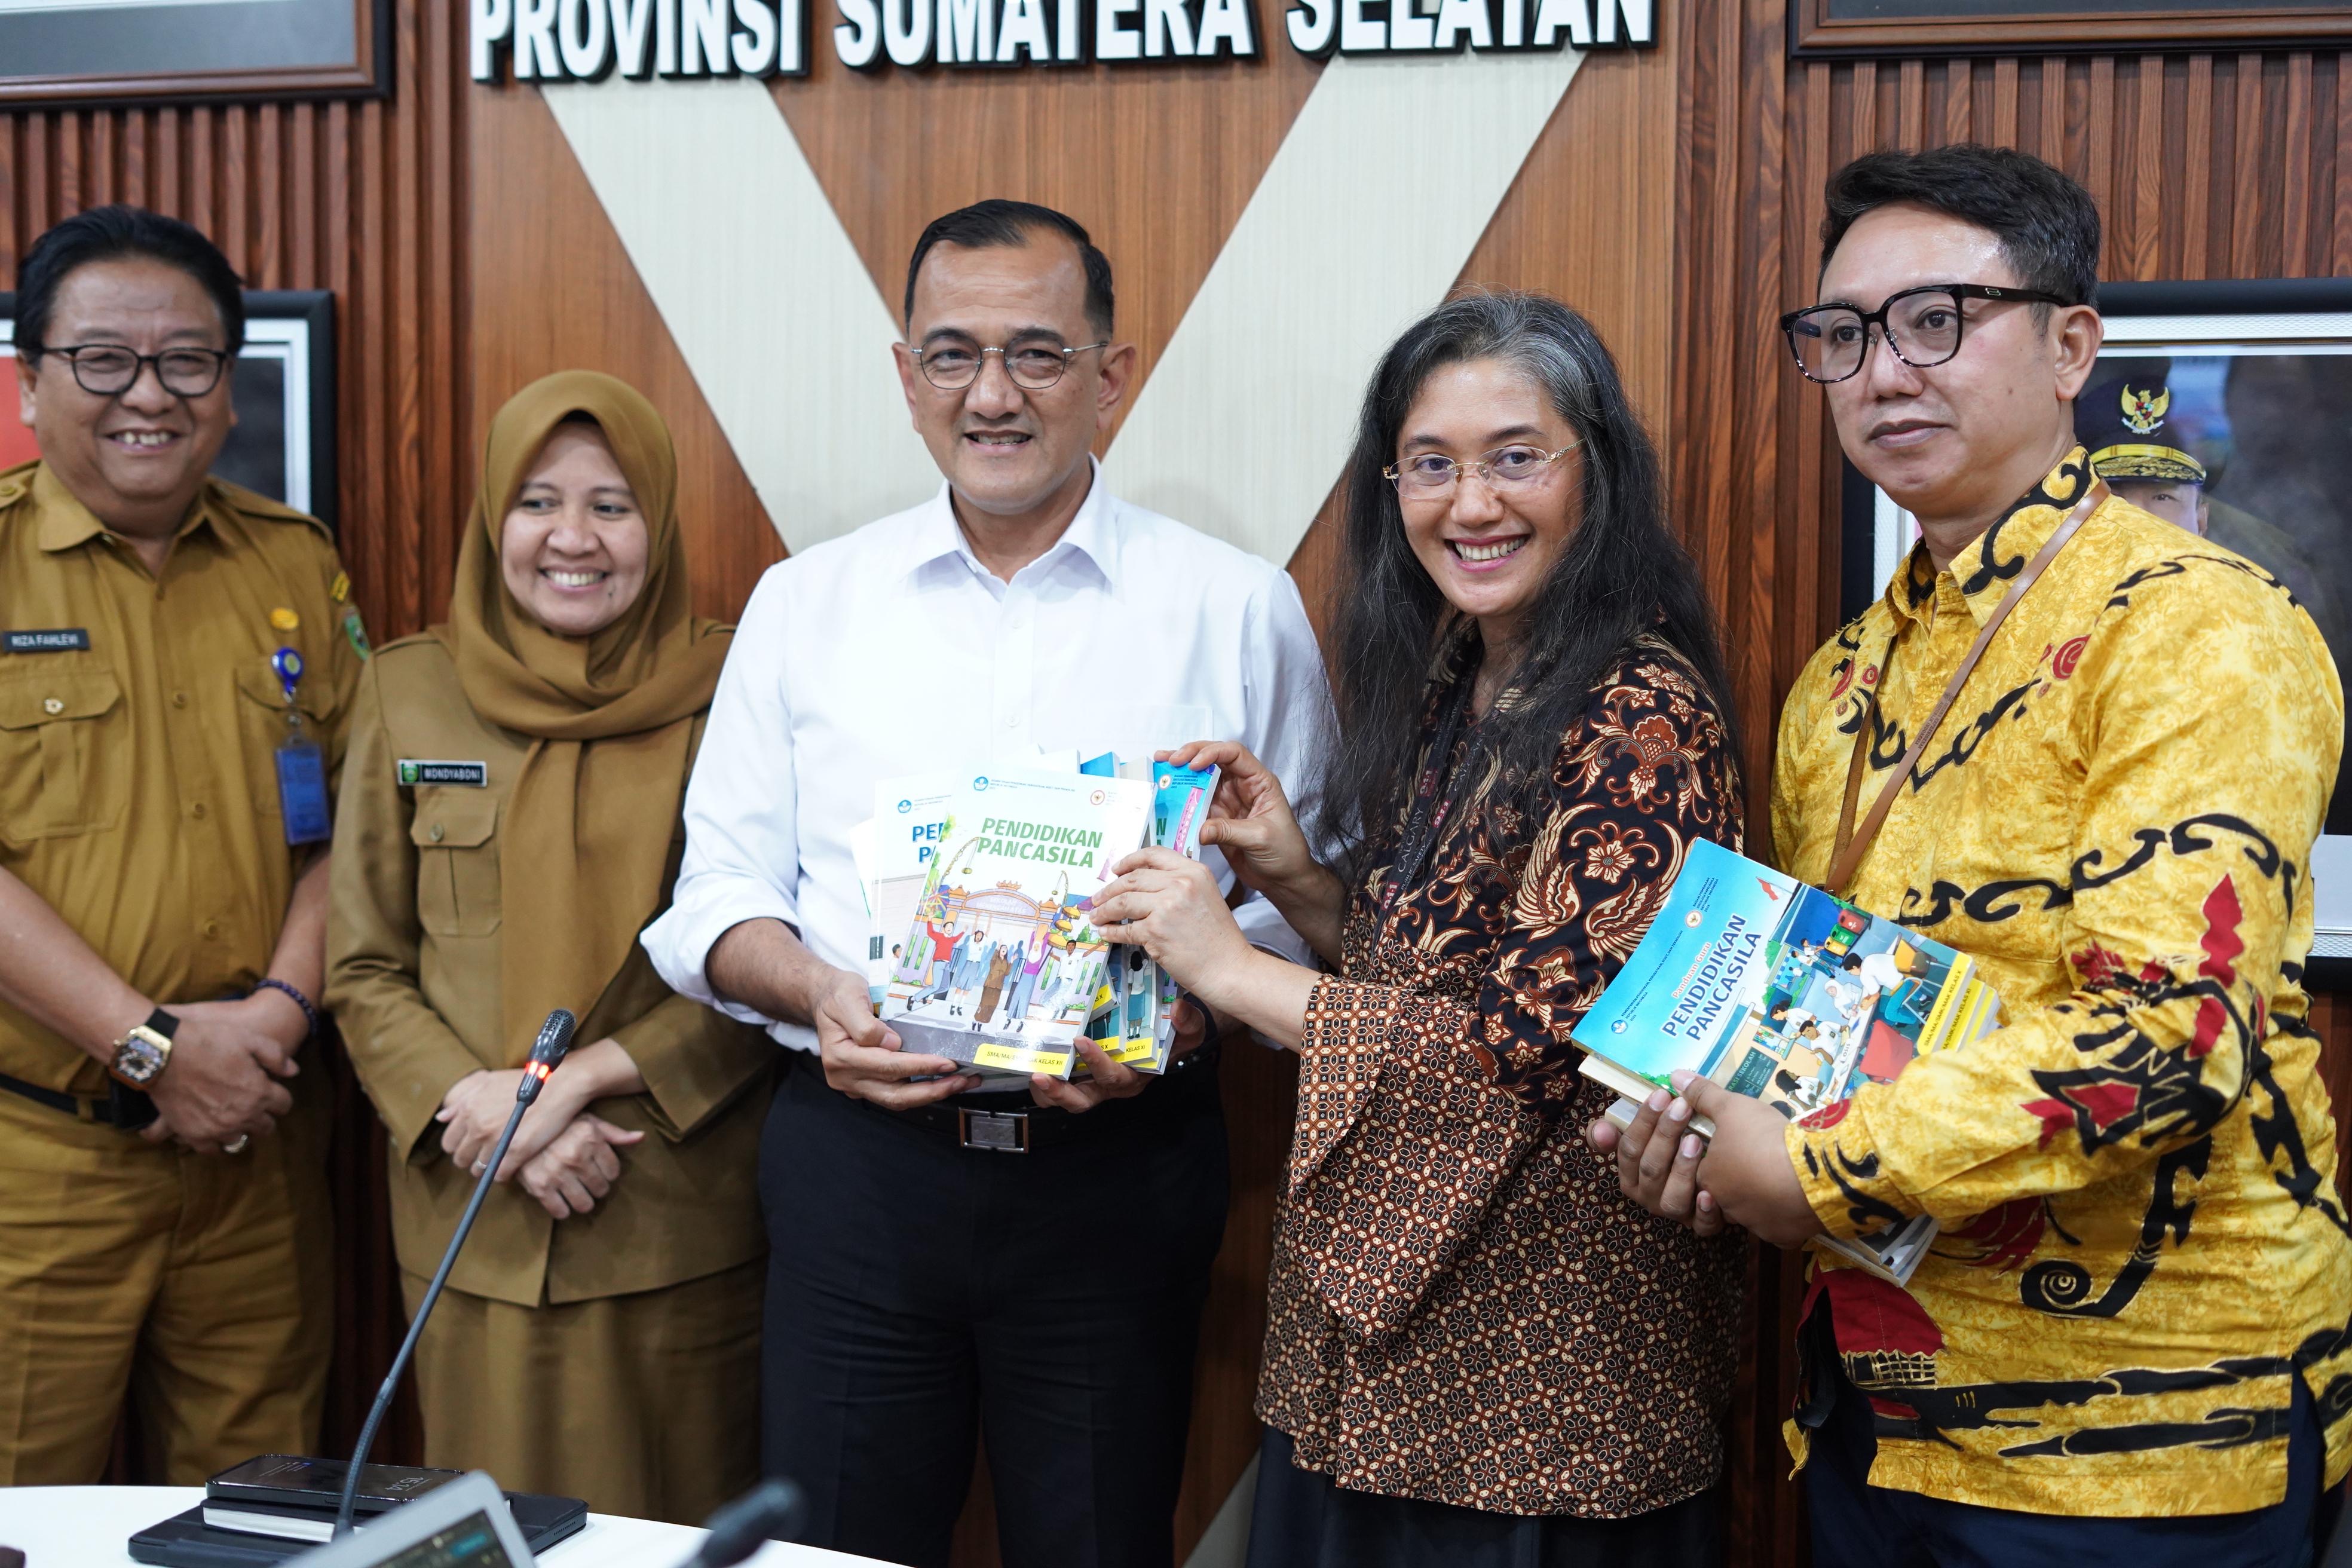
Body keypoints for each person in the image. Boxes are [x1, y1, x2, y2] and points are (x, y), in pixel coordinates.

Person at [1604, 145, 2352, 1563]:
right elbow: (1822, 1013)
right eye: (1844, 334)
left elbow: (2167, 1040)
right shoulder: (1840, 682)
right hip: (1877, 1407)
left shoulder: (2202, 627)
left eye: (1937, 320)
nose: (1885, 371)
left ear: (2073, 346)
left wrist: (1812, 1163)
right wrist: (1704, 1140)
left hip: (2146, 1437)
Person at [640, 198, 1330, 1568]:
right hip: (859, 1171)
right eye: (953, 354)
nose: (993, 394)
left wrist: (1186, 1021)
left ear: (1110, 375)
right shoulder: (806, 603)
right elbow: (713, 894)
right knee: (833, 1549)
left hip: (1118, 1172)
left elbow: (1308, 901)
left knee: (1098, 1541)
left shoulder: (1234, 604)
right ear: (908, 378)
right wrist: (816, 989)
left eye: (1037, 353)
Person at [1089, 291, 1747, 1566]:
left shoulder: (1642, 721)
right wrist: (1295, 879)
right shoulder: (1465, 671)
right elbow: (1435, 977)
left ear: (1597, 470)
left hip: (1538, 1397)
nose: (1471, 504)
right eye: (1430, 465)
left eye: (1516, 457)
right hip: (1388, 1365)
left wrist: (1229, 967)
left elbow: (1519, 1053)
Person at [326, 372, 774, 1524]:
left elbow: (772, 962)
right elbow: (364, 964)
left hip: (672, 1220)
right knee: (487, 1536)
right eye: (538, 502)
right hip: (472, 1218)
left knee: (673, 1538)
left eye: (612, 506)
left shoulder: (737, 686)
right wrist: (490, 1117)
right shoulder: (408, 690)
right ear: (494, 520)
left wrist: (565, 1092)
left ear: (658, 524)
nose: (573, 538)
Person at [0, 205, 361, 1483]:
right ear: (30, 381)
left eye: (187, 360)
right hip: (39, 1164)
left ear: (227, 384)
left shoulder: (293, 565)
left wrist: (275, 1017)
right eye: (104, 359)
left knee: (255, 1518)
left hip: (259, 1145)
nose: (149, 394)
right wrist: (150, 1048)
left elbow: (353, 830)